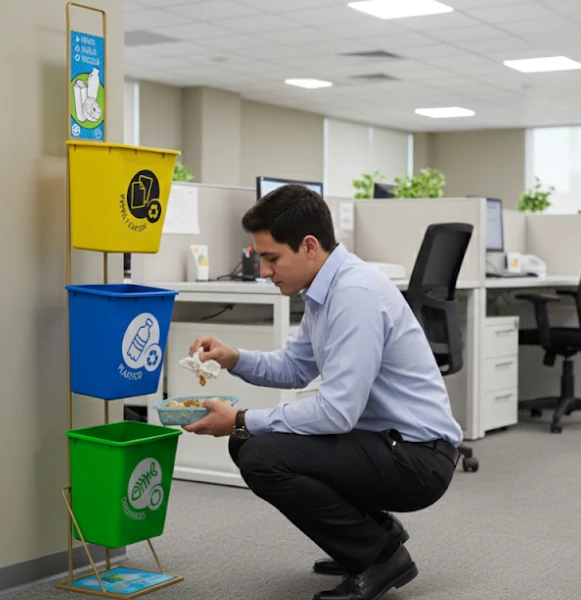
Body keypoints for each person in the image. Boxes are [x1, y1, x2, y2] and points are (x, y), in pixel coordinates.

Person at [182, 184, 463, 600]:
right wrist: (233, 358)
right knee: (247, 442)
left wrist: (240, 419)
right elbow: (295, 367)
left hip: (418, 458)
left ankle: (378, 557)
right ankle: (376, 531)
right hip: (386, 442)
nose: (264, 271)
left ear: (310, 246)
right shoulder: (325, 290)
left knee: (260, 454)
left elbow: (336, 413)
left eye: (272, 258)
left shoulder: (354, 295)